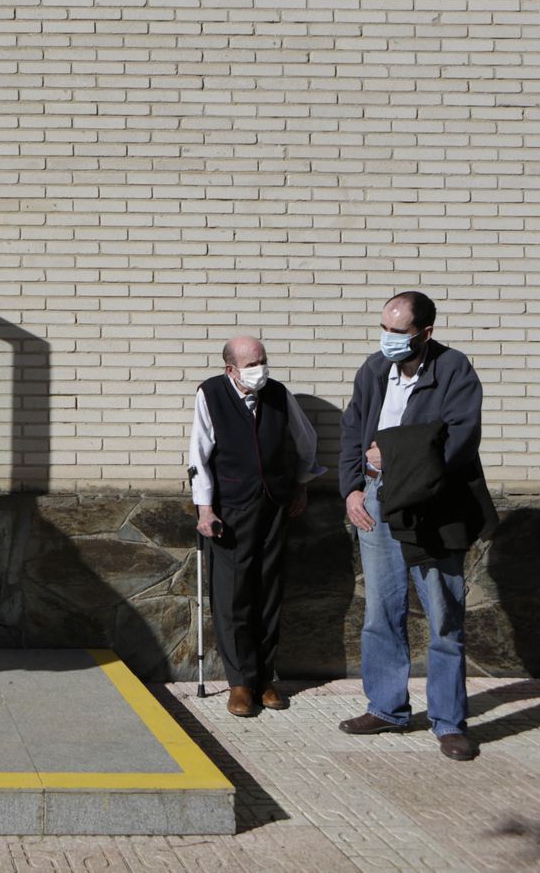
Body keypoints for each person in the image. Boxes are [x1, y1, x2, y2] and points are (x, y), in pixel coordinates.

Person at [337, 291, 493, 761]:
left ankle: (449, 722)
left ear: (425, 332)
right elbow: (352, 429)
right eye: (383, 329)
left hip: (434, 503)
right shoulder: (373, 370)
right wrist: (352, 488)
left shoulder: (454, 370)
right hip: (377, 496)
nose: (388, 339)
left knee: (444, 615)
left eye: (398, 332)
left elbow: (459, 440)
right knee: (381, 610)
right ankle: (387, 707)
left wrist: (398, 457)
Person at [189, 335, 323, 718]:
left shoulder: (279, 394)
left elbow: (306, 440)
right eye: (251, 363)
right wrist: (204, 510)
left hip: (274, 503)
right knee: (233, 594)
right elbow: (199, 452)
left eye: (262, 360)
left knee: (268, 588)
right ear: (230, 369)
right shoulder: (211, 394)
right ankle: (240, 682)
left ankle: (265, 677)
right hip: (229, 507)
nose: (259, 369)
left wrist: (301, 484)